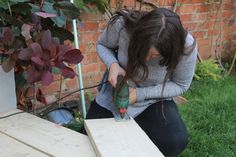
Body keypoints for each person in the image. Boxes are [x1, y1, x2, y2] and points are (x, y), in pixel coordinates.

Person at [82, 8, 198, 156]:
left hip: (152, 100)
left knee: (174, 140)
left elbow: (181, 84)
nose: (144, 59)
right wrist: (113, 64)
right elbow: (102, 44)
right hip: (116, 93)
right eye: (141, 49)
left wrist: (139, 94)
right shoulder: (122, 26)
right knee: (87, 140)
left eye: (154, 55)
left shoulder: (185, 46)